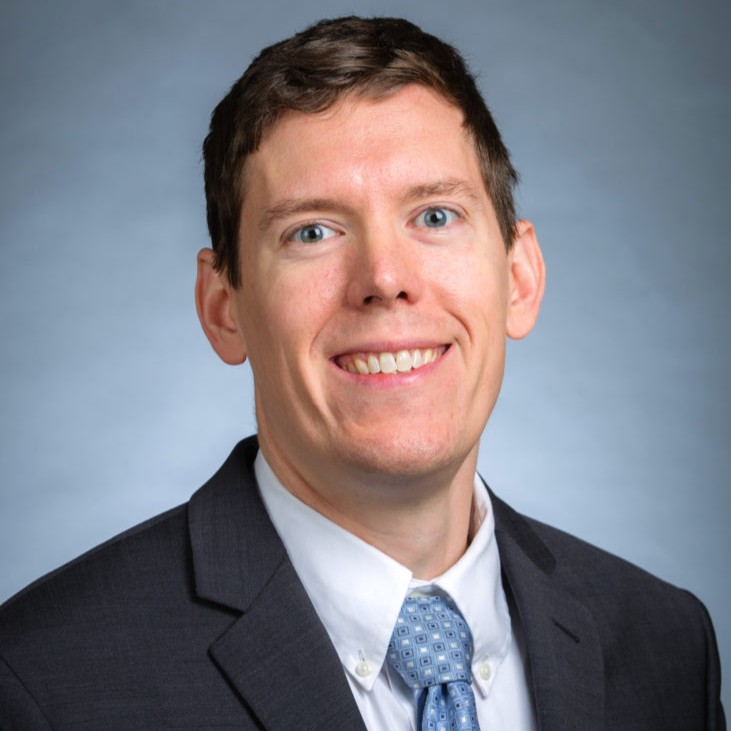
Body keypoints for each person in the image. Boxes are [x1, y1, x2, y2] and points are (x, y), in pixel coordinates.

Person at [0, 15, 724, 731]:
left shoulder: (665, 647)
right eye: (312, 231)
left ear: (520, 276)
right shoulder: (45, 683)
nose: (383, 278)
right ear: (223, 308)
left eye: (435, 216)